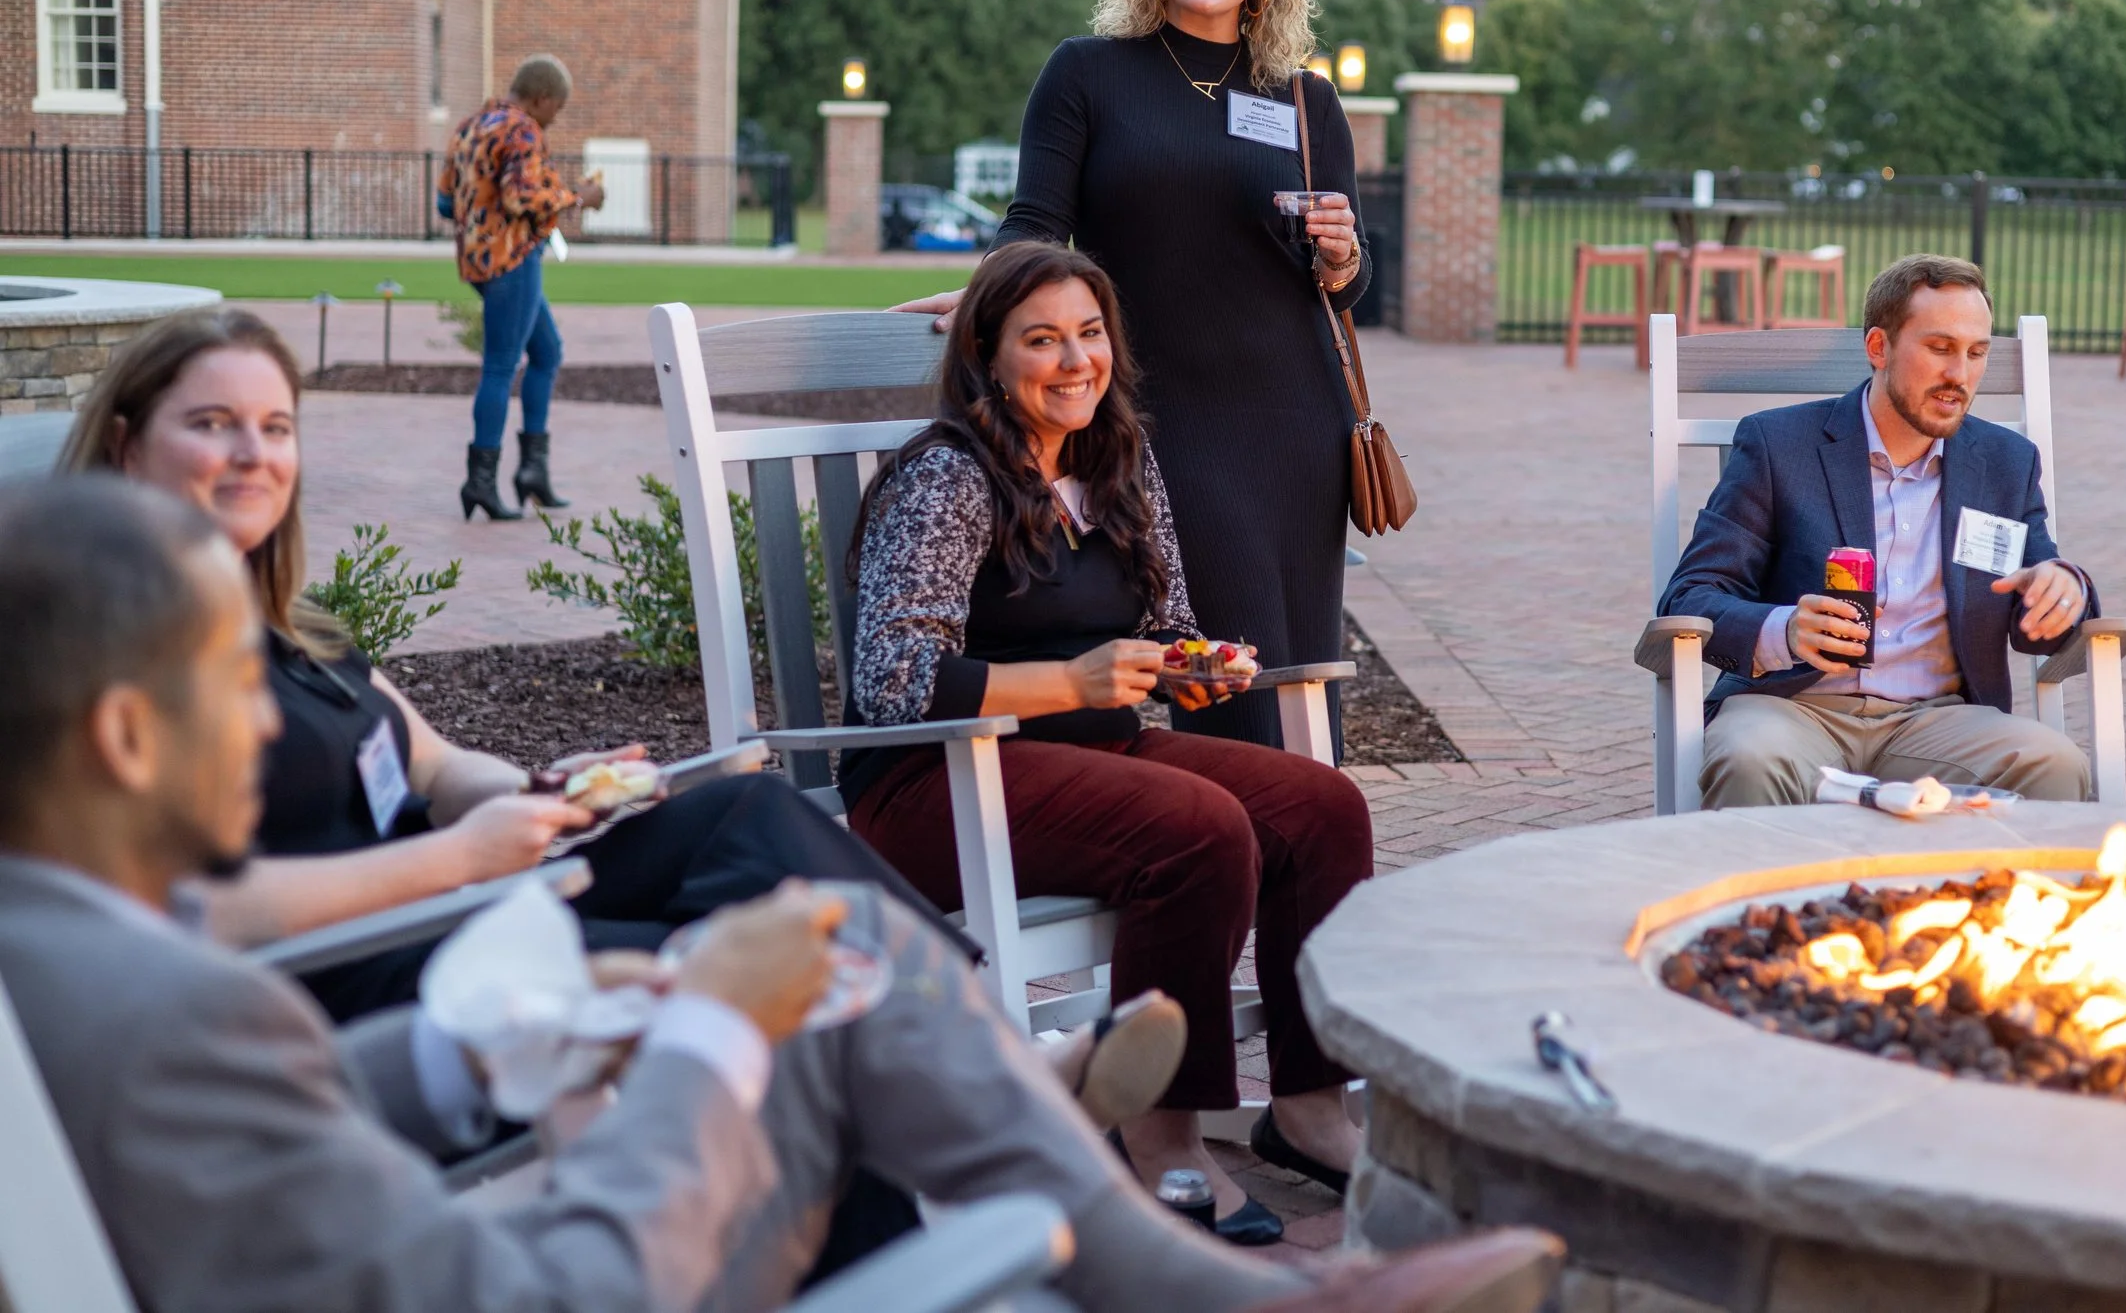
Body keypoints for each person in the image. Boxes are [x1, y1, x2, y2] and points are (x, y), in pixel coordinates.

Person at [0, 474, 1565, 1313]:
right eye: (231, 679)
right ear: (128, 732)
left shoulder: (70, 961)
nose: (269, 715)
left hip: (417, 1181)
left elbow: (243, 1125)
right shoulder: (173, 1008)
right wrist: (703, 1046)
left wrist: (470, 1052)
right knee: (792, 1007)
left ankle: (1200, 1285)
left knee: (813, 987)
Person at [57, 303, 1179, 1132]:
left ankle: (989, 1066)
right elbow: (182, 912)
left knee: (741, 810)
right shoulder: (112, 654)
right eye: (214, 424)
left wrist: (550, 791)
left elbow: (438, 762)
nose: (255, 454)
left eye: (275, 425)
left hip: (473, 890)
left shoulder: (298, 631)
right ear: (124, 444)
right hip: (374, 968)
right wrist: (455, 859)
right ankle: (991, 1098)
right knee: (770, 997)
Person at [851, 242, 1374, 1245]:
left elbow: (1166, 619)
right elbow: (893, 682)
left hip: (1092, 753)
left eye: (1088, 334)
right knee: (1197, 827)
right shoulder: (946, 477)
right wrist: (1074, 680)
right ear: (987, 359)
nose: (1074, 360)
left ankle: (1306, 1104)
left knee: (1320, 805)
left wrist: (1189, 663)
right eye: (1040, 339)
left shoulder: (1116, 457)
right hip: (933, 781)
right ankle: (1163, 1132)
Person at [895, 0, 1366, 756]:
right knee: (1226, 670)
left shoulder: (1305, 102)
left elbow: (1343, 285)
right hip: (1165, 420)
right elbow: (1035, 221)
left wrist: (1346, 260)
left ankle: (1311, 859)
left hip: (1299, 426)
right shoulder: (1089, 75)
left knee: (1304, 671)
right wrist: (995, 293)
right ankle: (1241, 851)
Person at [1663, 253, 2100, 809]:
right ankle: (1770, 899)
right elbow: (1692, 596)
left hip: (1939, 721)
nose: (1959, 375)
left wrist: (2065, 590)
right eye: (1940, 348)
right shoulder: (1780, 447)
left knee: (2054, 763)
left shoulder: (2004, 464)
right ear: (1879, 347)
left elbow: (2040, 610)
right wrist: (1786, 629)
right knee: (1749, 758)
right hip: (1791, 710)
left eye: (1976, 353)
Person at [438, 52, 604, 522]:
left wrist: (480, 217)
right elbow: (520, 196)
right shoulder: (523, 129)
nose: (555, 120)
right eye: (558, 109)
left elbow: (445, 201)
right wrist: (580, 197)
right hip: (512, 259)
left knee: (547, 352)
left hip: (477, 261)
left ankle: (533, 472)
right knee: (500, 366)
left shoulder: (470, 126)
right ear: (542, 98)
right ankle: (481, 481)